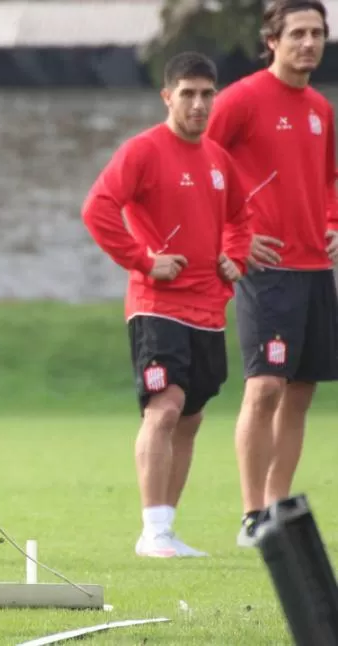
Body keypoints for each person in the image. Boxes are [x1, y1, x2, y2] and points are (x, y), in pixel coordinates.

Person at [81, 52, 253, 558]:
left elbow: (242, 217)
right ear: (168, 97)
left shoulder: (220, 161)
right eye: (188, 94)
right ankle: (151, 531)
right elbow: (98, 209)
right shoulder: (143, 151)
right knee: (166, 407)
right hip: (156, 306)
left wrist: (235, 257)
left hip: (208, 308)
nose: (198, 104)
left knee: (192, 416)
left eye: (206, 94)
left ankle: (167, 528)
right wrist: (143, 259)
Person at [206, 0, 338, 547]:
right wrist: (229, 239)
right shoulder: (240, 100)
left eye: (318, 33)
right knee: (264, 387)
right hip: (267, 269)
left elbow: (329, 180)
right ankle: (251, 512)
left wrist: (333, 222)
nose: (309, 43)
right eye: (298, 34)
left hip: (314, 269)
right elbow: (199, 162)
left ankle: (278, 508)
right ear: (272, 40)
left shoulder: (320, 110)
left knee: (301, 392)